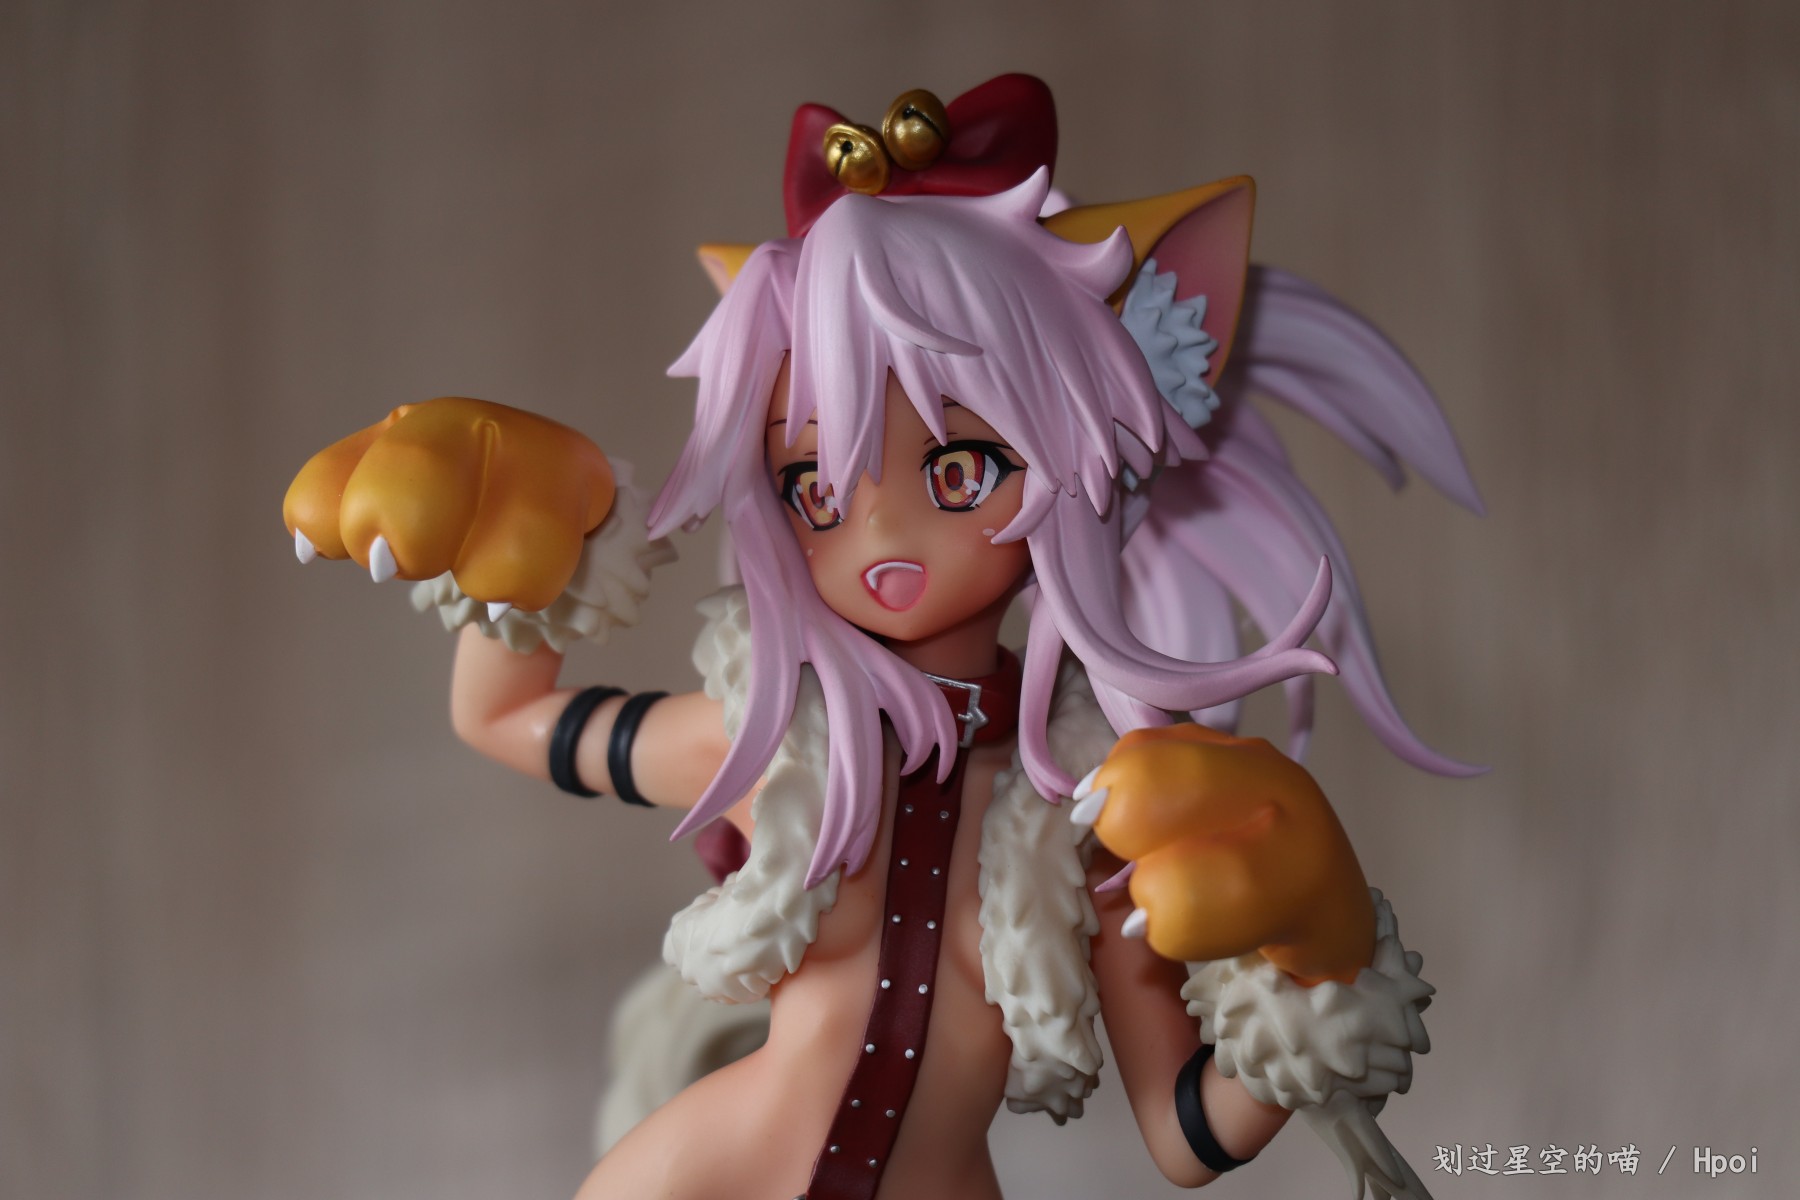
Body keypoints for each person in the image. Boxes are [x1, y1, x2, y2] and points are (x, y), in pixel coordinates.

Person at [283, 75, 1480, 1200]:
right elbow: (503, 717)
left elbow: (1184, 1133)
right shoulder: (770, 734)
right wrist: (527, 547)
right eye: (812, 485)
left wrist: (1316, 972)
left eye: (958, 469)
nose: (878, 530)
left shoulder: (1094, 803)